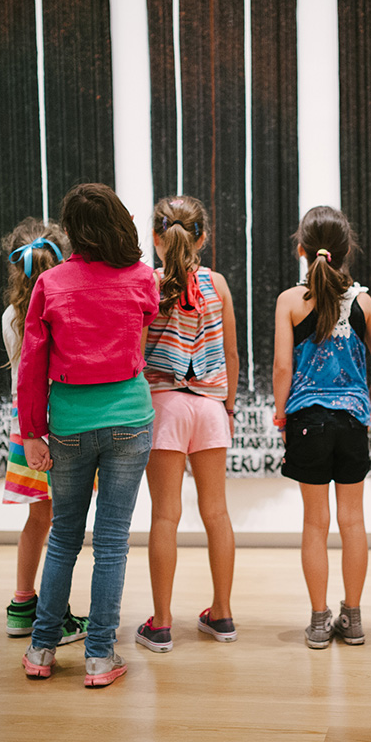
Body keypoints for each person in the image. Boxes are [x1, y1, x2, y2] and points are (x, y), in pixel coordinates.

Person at [18, 183, 158, 688]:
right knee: (112, 543)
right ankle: (99, 657)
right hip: (130, 420)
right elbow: (139, 334)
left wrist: (31, 432)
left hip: (69, 425)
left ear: (71, 230)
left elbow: (31, 365)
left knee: (63, 538)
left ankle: (41, 649)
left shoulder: (50, 284)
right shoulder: (142, 278)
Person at [273, 206, 371, 649]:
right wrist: (368, 410)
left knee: (314, 524)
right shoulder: (362, 302)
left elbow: (282, 367)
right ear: (347, 251)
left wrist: (281, 416)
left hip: (307, 421)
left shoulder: (290, 301)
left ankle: (319, 621)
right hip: (351, 422)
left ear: (302, 250)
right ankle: (353, 619)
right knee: (352, 521)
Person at [135, 196, 239, 653]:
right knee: (217, 513)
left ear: (155, 238)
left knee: (165, 515)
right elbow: (231, 354)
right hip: (211, 407)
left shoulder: (147, 283)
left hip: (164, 407)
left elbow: (136, 354)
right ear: (203, 237)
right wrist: (228, 407)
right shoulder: (218, 284)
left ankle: (161, 624)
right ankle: (222, 614)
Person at [0, 219, 88, 645]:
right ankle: (56, 614)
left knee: (39, 519)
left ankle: (22, 604)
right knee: (65, 528)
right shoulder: (65, 310)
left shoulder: (10, 316)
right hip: (61, 425)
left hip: (25, 428)